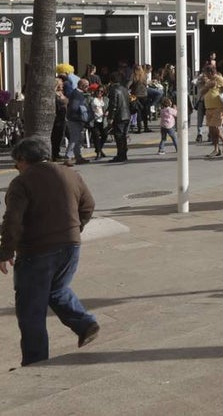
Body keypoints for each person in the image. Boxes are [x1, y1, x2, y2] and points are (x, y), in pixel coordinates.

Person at [0, 137, 100, 366]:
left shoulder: (22, 182)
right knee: (56, 289)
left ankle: (35, 361)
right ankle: (85, 324)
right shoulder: (70, 174)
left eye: (16, 163)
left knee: (31, 308)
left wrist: (5, 251)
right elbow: (89, 205)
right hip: (70, 246)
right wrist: (76, 228)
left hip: (37, 250)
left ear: (24, 160)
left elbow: (13, 220)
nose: (17, 168)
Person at [198, 65, 223, 158]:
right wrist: (207, 86)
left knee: (215, 127)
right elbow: (201, 93)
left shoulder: (219, 79)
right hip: (208, 107)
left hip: (218, 107)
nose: (205, 75)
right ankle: (217, 148)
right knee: (212, 129)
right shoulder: (208, 81)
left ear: (211, 72)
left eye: (206, 73)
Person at [105, 72, 132, 163]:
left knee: (119, 136)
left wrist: (110, 117)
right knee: (123, 135)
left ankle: (120, 154)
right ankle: (123, 153)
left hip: (119, 116)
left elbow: (113, 105)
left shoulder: (114, 90)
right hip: (127, 114)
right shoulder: (124, 89)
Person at [63, 78, 90, 166]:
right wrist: (82, 112)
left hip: (75, 119)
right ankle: (68, 157)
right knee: (74, 138)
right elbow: (74, 107)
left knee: (78, 139)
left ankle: (78, 156)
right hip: (74, 120)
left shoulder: (77, 93)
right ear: (82, 86)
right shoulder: (77, 94)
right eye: (86, 86)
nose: (88, 88)